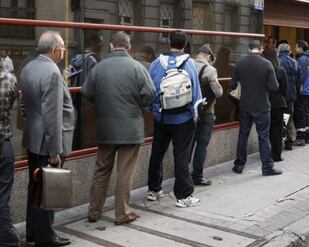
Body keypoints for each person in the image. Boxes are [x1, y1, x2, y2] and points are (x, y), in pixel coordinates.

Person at [82, 31, 155, 225]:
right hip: (130, 129)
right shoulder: (138, 68)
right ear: (129, 48)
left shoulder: (99, 67)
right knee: (125, 172)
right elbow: (150, 94)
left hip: (105, 128)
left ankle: (93, 211)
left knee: (101, 170)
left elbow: (86, 93)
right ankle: (122, 213)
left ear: (112, 46)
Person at [20, 31, 74, 247]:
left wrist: (32, 123)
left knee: (35, 188)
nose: (63, 52)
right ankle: (46, 237)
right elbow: (52, 115)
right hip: (47, 142)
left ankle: (33, 232)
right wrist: (54, 152)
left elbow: (24, 106)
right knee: (47, 190)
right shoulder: (52, 72)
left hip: (33, 137)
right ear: (54, 50)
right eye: (62, 48)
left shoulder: (28, 67)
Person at [147, 30, 203, 208]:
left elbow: (151, 91)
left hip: (162, 118)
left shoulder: (156, 63)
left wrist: (156, 111)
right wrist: (195, 115)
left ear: (168, 42)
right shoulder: (190, 63)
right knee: (181, 156)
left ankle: (154, 189)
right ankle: (183, 195)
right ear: (185, 44)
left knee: (157, 154)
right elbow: (196, 93)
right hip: (183, 118)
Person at [230, 40, 282, 176]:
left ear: (249, 48)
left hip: (244, 106)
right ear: (261, 49)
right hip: (262, 105)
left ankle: (239, 165)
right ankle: (267, 167)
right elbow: (275, 86)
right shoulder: (267, 64)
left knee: (243, 135)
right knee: (263, 136)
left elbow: (232, 84)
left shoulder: (240, 63)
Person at [191, 44, 223, 185]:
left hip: (189, 112)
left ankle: (182, 175)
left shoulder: (187, 66)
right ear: (208, 57)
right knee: (201, 145)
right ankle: (197, 176)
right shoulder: (210, 70)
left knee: (188, 145)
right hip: (206, 112)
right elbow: (218, 92)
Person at [0, 60, 20, 247]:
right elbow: (13, 100)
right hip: (3, 143)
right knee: (3, 193)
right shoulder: (10, 80)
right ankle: (5, 235)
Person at [263, 48, 288, 162]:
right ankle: (277, 155)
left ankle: (265, 153)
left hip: (264, 103)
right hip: (278, 104)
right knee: (277, 131)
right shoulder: (280, 71)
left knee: (265, 130)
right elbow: (284, 88)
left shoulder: (262, 70)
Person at [278, 43, 303, 150]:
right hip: (291, 95)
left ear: (279, 50)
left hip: (280, 94)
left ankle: (279, 138)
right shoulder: (295, 63)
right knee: (289, 116)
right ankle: (290, 140)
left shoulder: (277, 61)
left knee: (279, 117)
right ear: (289, 51)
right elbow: (300, 80)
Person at [294, 40, 309, 145]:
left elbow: (300, 76)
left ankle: (301, 138)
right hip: (308, 90)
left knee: (300, 114)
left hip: (302, 91)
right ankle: (306, 136)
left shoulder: (302, 60)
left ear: (301, 48)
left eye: (296, 47)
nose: (295, 49)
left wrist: (299, 87)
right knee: (305, 113)